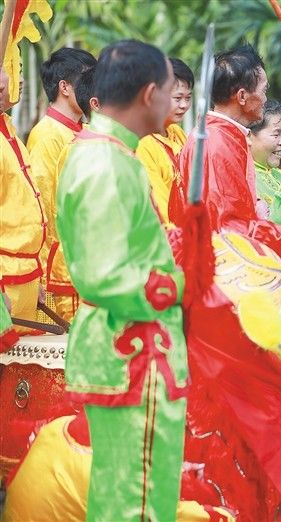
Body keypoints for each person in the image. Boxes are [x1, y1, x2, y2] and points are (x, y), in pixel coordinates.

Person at [56, 40, 188, 521]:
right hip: (133, 352)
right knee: (140, 501)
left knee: (127, 497)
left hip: (132, 351)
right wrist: (182, 280)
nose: (175, 102)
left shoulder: (110, 153)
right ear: (150, 93)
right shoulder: (105, 163)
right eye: (171, 91)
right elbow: (105, 275)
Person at [179, 44, 281, 278]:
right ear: (242, 96)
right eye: (263, 90)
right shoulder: (217, 143)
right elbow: (229, 231)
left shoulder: (224, 136)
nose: (265, 98)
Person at [25, 47, 96, 320]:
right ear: (65, 87)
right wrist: (43, 274)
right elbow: (41, 207)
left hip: (79, 264)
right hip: (58, 273)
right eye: (87, 79)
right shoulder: (47, 135)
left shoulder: (81, 131)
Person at [0, 67, 45, 331]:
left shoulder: (9, 130)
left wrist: (37, 280)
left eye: (19, 69)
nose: (19, 80)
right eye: (13, 71)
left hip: (26, 281)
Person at [136, 57, 194, 226]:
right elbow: (158, 208)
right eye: (177, 98)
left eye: (188, 98)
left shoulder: (177, 133)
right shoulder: (144, 144)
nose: (184, 105)